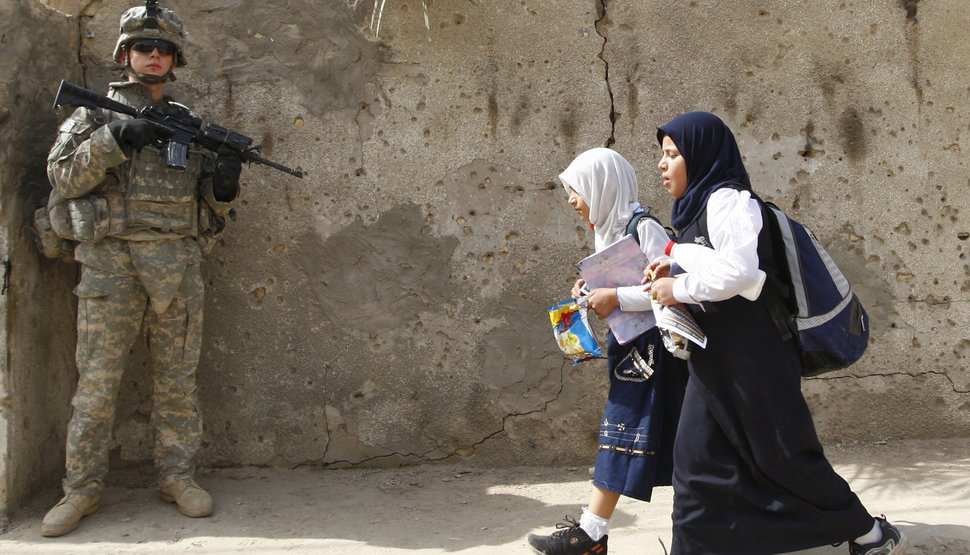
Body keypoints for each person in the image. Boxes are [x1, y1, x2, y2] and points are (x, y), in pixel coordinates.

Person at [646, 112, 907, 555]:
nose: (662, 164)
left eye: (672, 154)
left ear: (702, 156)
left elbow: (743, 274)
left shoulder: (729, 201)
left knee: (783, 454)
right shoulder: (697, 207)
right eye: (663, 155)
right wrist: (675, 265)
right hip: (715, 360)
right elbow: (716, 262)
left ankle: (868, 533)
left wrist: (679, 288)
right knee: (695, 461)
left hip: (756, 358)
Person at [41, 2, 241, 537]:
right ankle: (81, 490)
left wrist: (223, 185)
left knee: (177, 382)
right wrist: (116, 139)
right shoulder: (92, 115)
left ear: (175, 60)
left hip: (177, 265)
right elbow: (62, 178)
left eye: (164, 49)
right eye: (144, 47)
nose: (154, 56)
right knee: (97, 385)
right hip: (112, 265)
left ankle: (178, 477)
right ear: (124, 54)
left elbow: (207, 203)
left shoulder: (186, 123)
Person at [527, 148, 688, 555]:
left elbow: (672, 288)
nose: (571, 200)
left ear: (602, 188)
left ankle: (591, 534)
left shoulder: (644, 227)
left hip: (655, 353)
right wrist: (590, 290)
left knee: (626, 431)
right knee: (627, 434)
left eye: (577, 190)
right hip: (631, 350)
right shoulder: (609, 230)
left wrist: (616, 297)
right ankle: (592, 534)